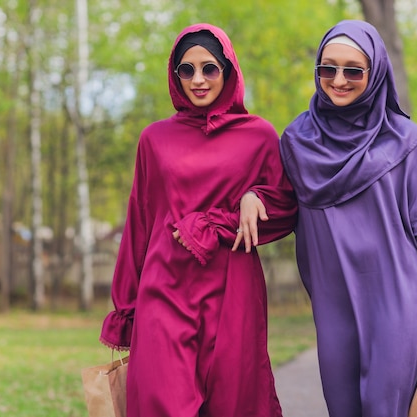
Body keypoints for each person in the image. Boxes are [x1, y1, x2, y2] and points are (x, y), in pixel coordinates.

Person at [278, 20, 417, 417]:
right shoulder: (296, 141)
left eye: (354, 69)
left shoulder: (404, 140)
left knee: (384, 406)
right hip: (333, 299)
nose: (338, 79)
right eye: (327, 68)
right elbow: (275, 201)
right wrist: (250, 196)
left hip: (398, 294)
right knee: (343, 405)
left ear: (376, 73)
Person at [99, 23, 297, 417]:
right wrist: (126, 306)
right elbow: (140, 220)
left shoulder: (259, 135)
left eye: (209, 68)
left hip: (233, 289)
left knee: (234, 402)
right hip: (164, 288)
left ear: (228, 70)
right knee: (162, 400)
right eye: (186, 70)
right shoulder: (153, 139)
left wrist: (251, 197)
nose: (198, 79)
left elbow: (287, 207)